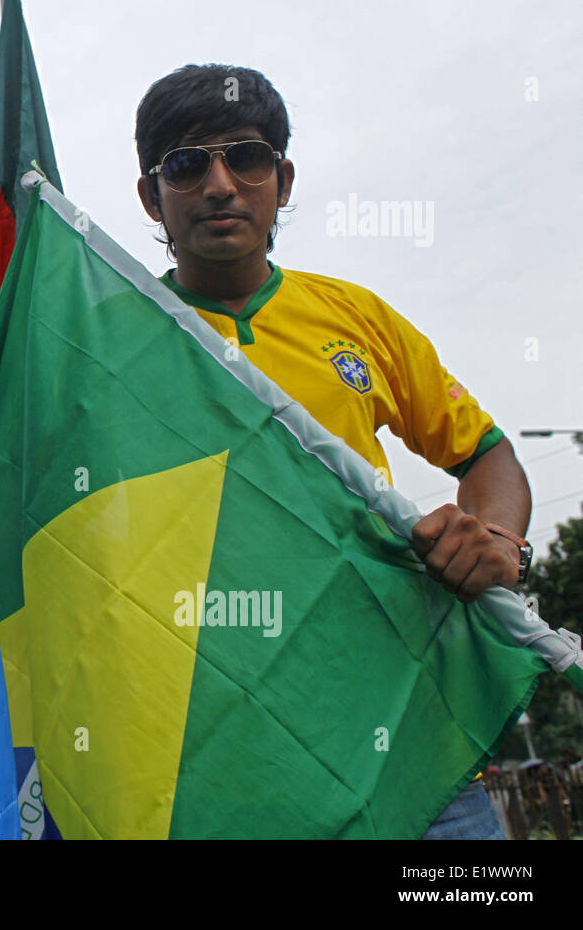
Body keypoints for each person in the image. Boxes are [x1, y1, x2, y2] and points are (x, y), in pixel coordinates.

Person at [133, 63, 531, 840]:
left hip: (402, 739)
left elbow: (488, 454)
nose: (220, 184)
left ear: (281, 180)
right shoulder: (114, 338)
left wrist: (499, 544)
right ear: (153, 198)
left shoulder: (358, 318)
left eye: (245, 157)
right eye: (186, 164)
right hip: (212, 756)